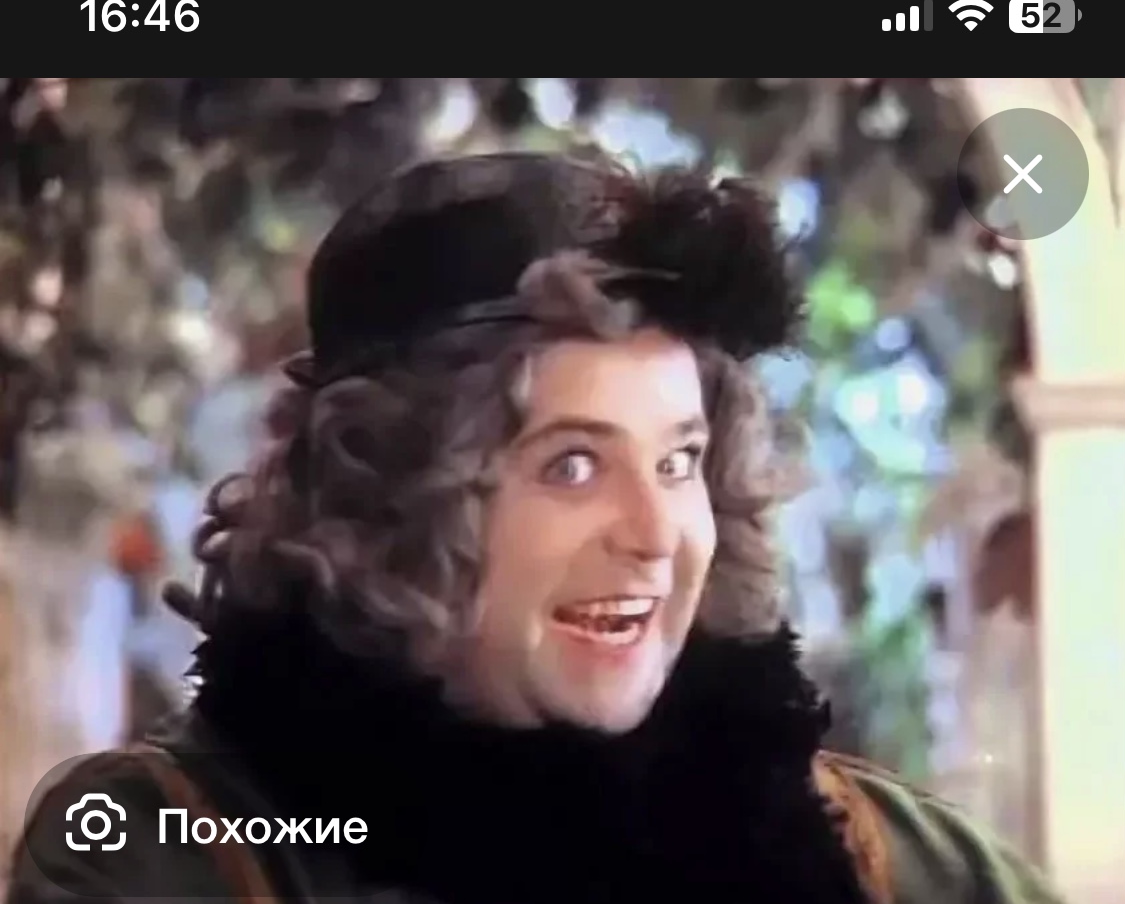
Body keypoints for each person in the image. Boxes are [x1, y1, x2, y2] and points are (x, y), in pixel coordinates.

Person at [6, 151, 1065, 904]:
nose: (653, 533)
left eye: (679, 461)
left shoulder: (885, 860)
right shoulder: (173, 849)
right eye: (572, 464)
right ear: (389, 508)